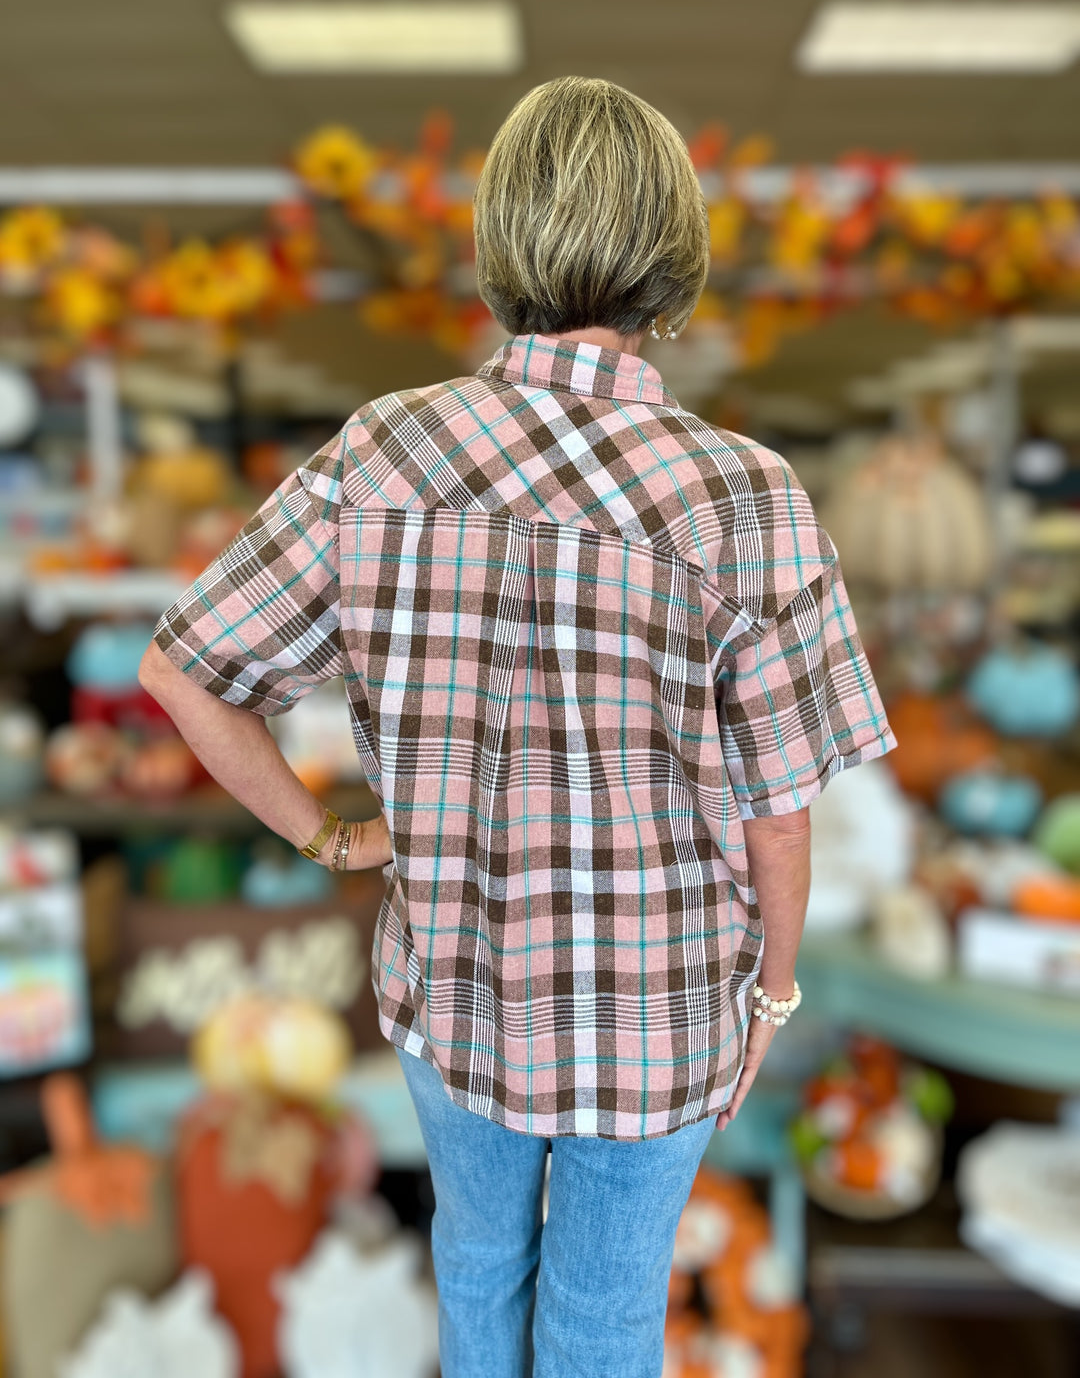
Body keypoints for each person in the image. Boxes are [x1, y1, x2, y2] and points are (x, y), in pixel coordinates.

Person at [140, 75, 896, 1378]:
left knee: (477, 1269)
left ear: (503, 244)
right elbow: (781, 809)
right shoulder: (744, 499)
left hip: (459, 989)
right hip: (658, 1019)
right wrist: (771, 992)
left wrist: (329, 835)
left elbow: (182, 673)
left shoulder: (378, 458)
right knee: (609, 1319)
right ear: (675, 258)